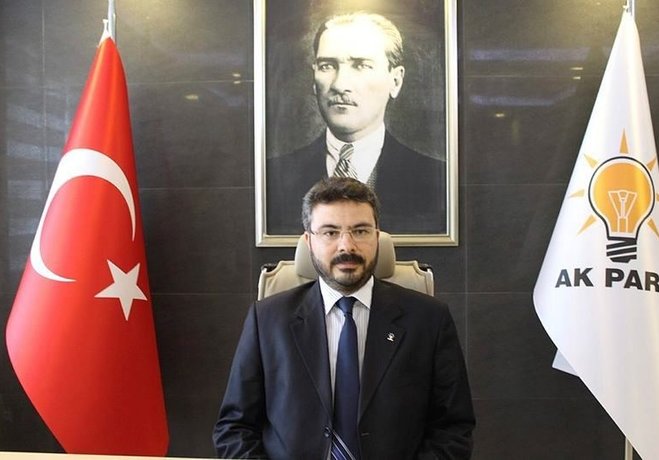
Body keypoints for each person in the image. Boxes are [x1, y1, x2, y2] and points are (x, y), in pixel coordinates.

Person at [213, 177, 474, 459]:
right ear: (309, 241)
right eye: (330, 232)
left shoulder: (428, 319)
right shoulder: (266, 321)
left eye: (360, 231)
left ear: (377, 237)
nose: (346, 246)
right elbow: (235, 428)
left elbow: (453, 428)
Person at [266, 12, 446, 236]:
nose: (340, 84)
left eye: (361, 65)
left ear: (396, 80)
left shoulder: (435, 178)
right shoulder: (275, 178)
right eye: (327, 66)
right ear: (313, 79)